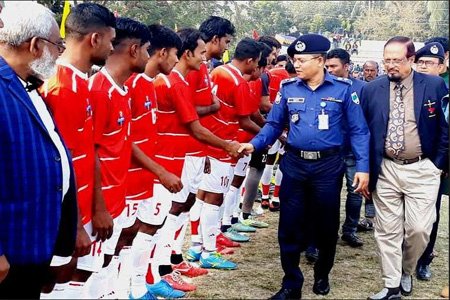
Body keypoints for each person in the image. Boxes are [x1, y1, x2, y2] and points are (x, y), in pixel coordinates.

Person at [239, 34, 370, 299]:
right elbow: (274, 124)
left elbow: (359, 131)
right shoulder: (289, 89)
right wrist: (255, 144)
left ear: (320, 60)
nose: (296, 65)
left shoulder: (343, 90)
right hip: (295, 164)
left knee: (326, 224)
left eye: (301, 60)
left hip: (328, 167)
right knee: (288, 225)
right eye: (294, 60)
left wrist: (363, 167)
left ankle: (322, 273)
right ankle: (291, 283)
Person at [38, 3, 116, 298]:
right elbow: (55, 167)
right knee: (54, 280)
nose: (112, 47)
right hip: (63, 218)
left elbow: (86, 152)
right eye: (110, 40)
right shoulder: (61, 88)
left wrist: (97, 206)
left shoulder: (80, 82)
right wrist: (76, 225)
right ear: (94, 39)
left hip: (80, 210)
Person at [0, 2, 77, 298]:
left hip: (33, 246)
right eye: (58, 45)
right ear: (35, 46)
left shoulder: (29, 87)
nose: (60, 53)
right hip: (10, 253)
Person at [362, 36, 448, 300]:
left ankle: (406, 270)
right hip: (386, 169)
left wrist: (438, 165)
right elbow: (362, 132)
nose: (391, 65)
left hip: (423, 169)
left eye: (396, 60)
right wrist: (366, 169)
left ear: (410, 59)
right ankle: (391, 286)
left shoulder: (433, 86)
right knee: (386, 230)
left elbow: (446, 131)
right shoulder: (372, 89)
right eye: (387, 60)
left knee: (420, 229)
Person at [88, 17, 151, 299]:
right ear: (135, 50)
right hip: (97, 207)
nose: (149, 57)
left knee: (108, 259)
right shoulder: (99, 91)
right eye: (148, 50)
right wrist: (99, 207)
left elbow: (121, 144)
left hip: (117, 198)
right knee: (85, 270)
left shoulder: (122, 90)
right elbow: (90, 152)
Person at [413, 42, 449, 282]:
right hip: (403, 162)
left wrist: (440, 163)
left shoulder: (444, 91)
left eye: (431, 63)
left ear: (442, 65)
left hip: (433, 164)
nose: (425, 67)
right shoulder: (405, 87)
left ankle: (424, 259)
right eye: (421, 62)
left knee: (430, 215)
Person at [325, 48, 366, 247]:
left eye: (334, 66)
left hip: (352, 152)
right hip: (330, 152)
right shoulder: (323, 86)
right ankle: (322, 235)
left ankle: (349, 230)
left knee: (355, 192)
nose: (329, 70)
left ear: (347, 66)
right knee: (326, 194)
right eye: (327, 66)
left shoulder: (362, 88)